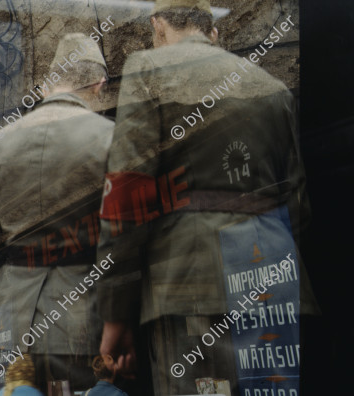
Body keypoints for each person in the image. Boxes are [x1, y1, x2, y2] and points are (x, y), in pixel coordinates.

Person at [96, 0, 318, 395]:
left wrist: (115, 315)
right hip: (274, 276)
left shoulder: (148, 69)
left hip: (192, 283)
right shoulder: (274, 88)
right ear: (213, 31)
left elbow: (127, 202)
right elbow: (298, 206)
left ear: (158, 26)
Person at [0, 32, 114, 393]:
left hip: (13, 314)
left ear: (48, 86)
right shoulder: (111, 136)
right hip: (86, 313)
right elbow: (125, 234)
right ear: (99, 84)